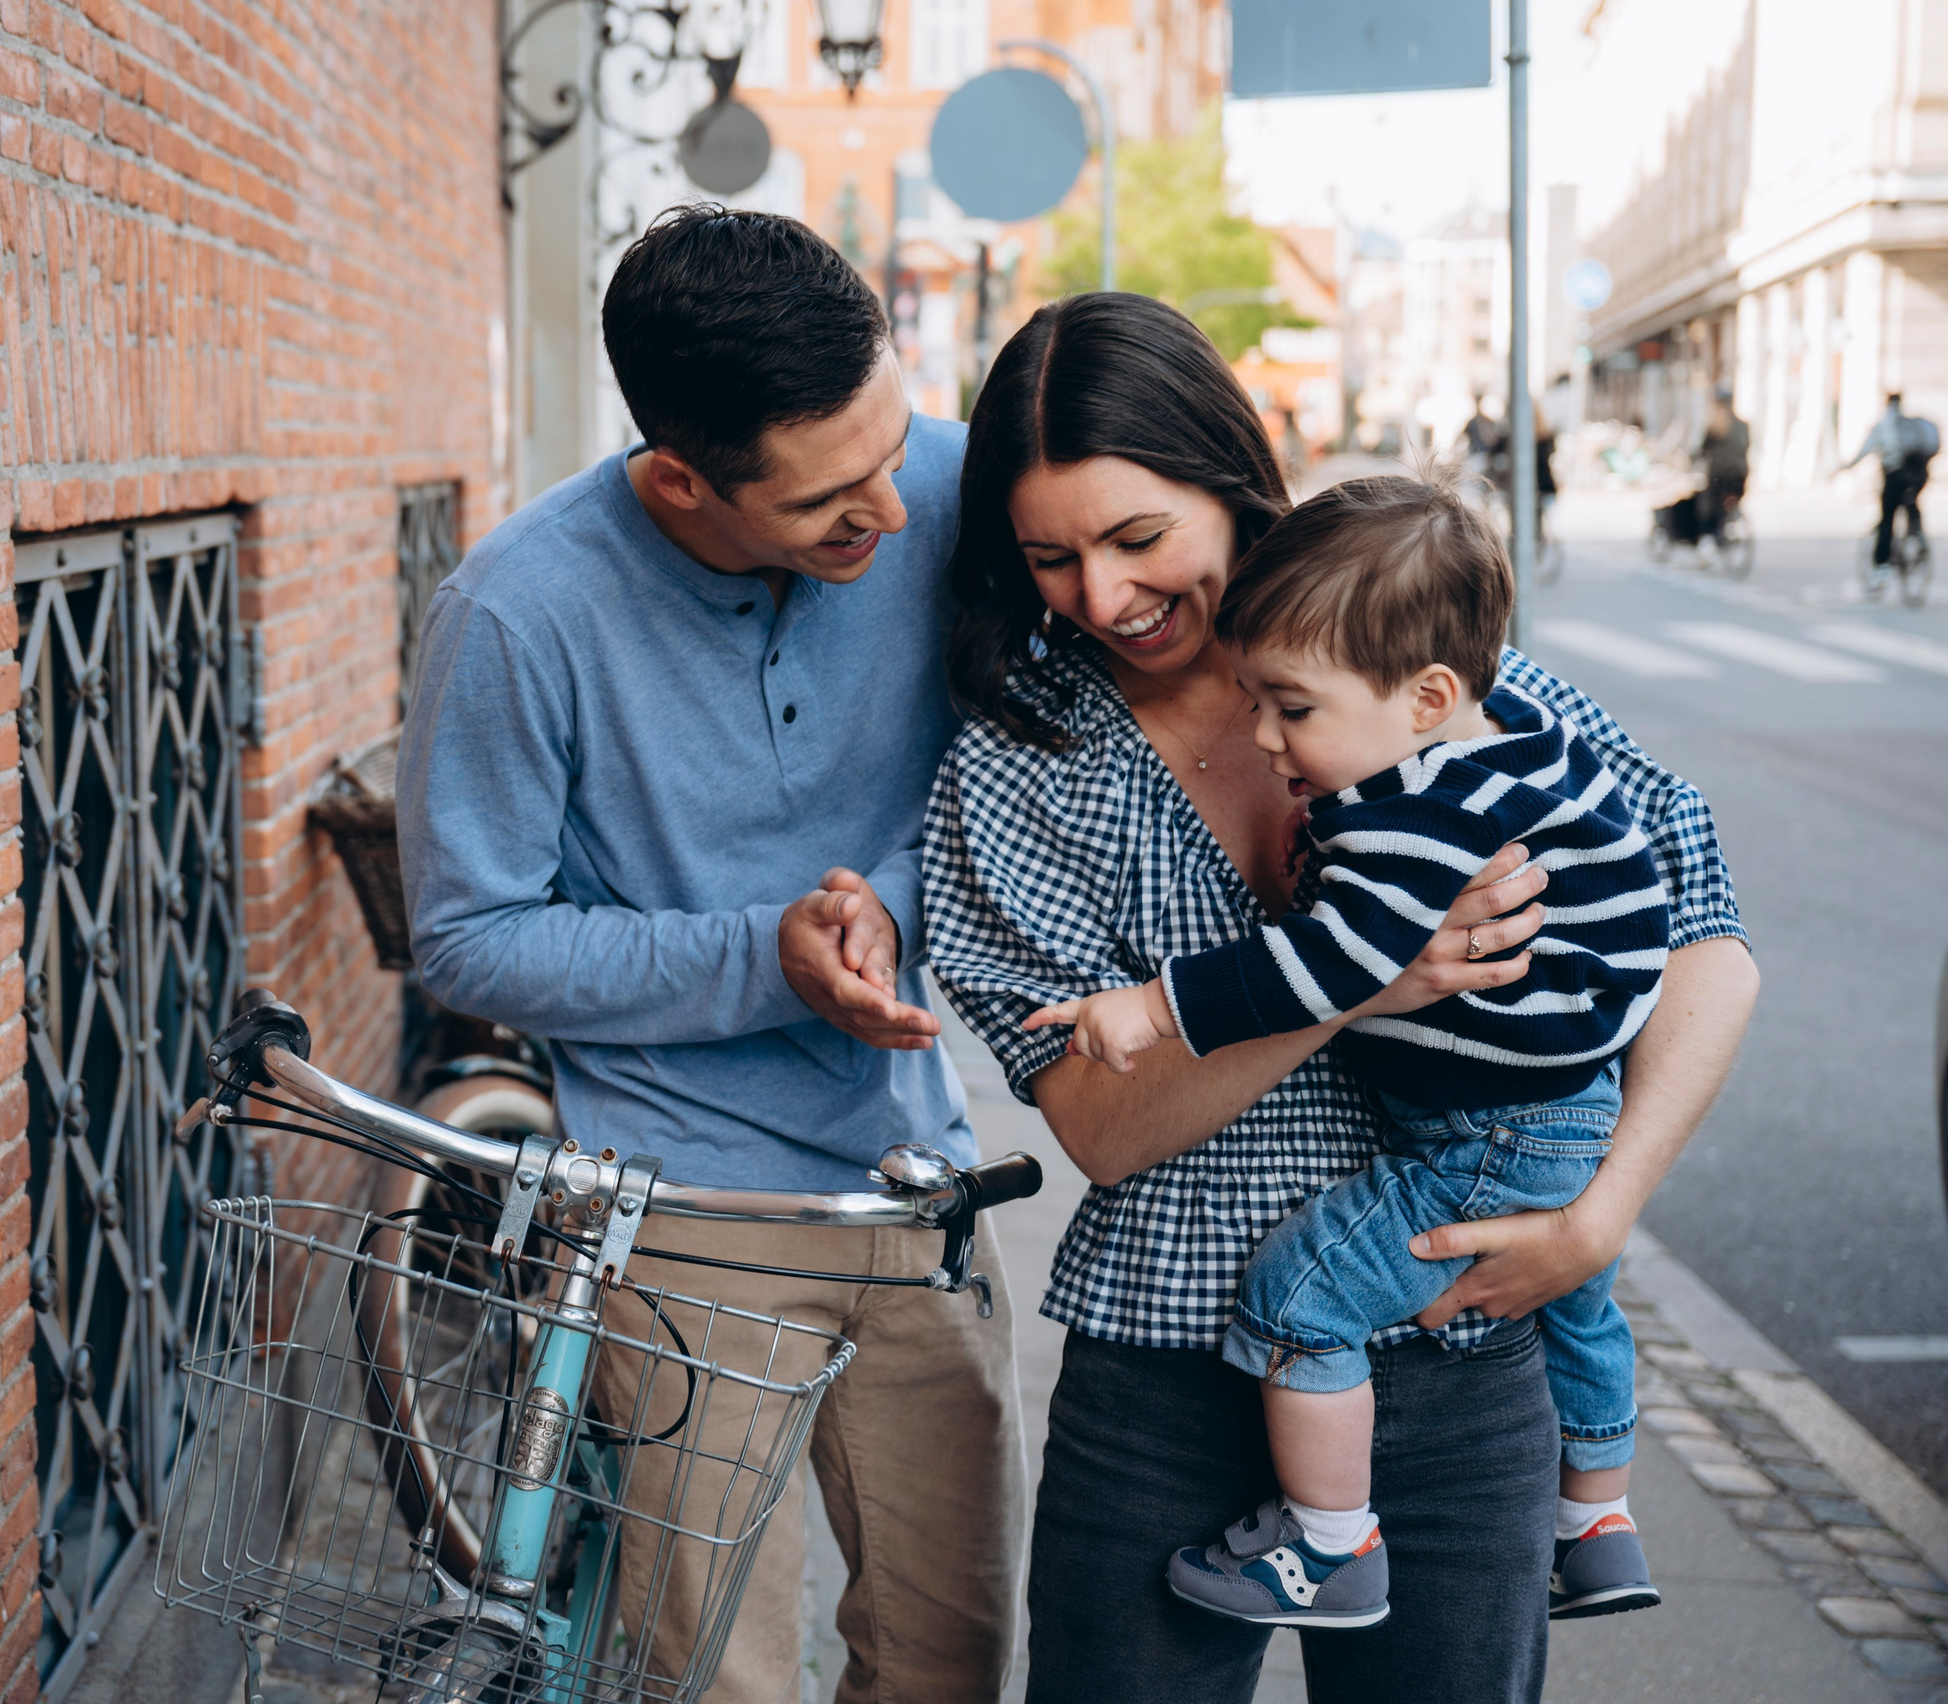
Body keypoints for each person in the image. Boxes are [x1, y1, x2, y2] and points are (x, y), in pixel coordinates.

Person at [922, 291, 1758, 1701]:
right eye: (1050, 558)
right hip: (1173, 1381)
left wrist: (1596, 1219)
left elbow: (1711, 943)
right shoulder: (1019, 767)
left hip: (1464, 1362)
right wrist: (1370, 983)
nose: (1103, 595)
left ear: (1233, 478)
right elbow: (1107, 1131)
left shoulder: (1453, 684)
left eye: (1139, 538)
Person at [399, 206, 1019, 1703]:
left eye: (894, 444)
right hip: (684, 1220)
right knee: (714, 1679)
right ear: (682, 476)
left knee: (950, 1659)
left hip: (914, 1188)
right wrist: (767, 957)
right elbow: (466, 938)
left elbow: (1018, 775)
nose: (890, 508)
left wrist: (889, 898)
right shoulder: (515, 610)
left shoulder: (941, 489)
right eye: (827, 501)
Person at [1026, 475, 1671, 1630]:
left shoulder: (1408, 815)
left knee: (1300, 1295)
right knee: (1580, 1305)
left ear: (1426, 695)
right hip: (1571, 1106)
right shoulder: (1524, 741)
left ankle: (1329, 1541)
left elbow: (1330, 968)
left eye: (1292, 709)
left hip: (1481, 1133)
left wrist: (1154, 1007)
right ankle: (1598, 1521)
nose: (1269, 737)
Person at [1845, 391, 1938, 563]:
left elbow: (1862, 453)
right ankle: (1916, 534)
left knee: (1887, 517)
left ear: (1887, 403)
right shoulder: (1912, 426)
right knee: (1911, 500)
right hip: (1919, 476)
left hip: (1894, 477)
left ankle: (1882, 564)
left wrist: (1844, 467)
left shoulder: (1883, 426)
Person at [1696, 391, 1749, 542]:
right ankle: (1729, 521)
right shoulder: (1743, 426)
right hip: (1740, 476)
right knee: (1728, 502)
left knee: (1706, 505)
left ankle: (1709, 536)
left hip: (1719, 476)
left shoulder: (1715, 428)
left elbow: (1702, 451)